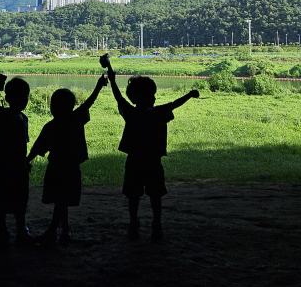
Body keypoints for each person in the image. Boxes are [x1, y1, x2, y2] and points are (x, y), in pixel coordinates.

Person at [105, 62, 199, 240]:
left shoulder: (131, 113)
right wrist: (189, 94)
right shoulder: (158, 113)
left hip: (133, 161)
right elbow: (175, 104)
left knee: (133, 195)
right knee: (155, 195)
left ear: (133, 98)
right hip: (153, 162)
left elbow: (118, 97)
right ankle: (157, 224)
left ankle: (134, 224)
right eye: (152, 94)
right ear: (150, 96)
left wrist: (112, 79)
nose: (155, 98)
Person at [27, 74, 108, 245]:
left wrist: (26, 161)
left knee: (59, 201)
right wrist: (99, 86)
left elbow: (37, 147)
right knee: (62, 201)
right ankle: (64, 229)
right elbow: (89, 102)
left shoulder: (51, 126)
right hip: (71, 167)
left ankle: (53, 231)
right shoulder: (76, 118)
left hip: (56, 168)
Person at [0, 74, 33, 250]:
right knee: (6, 199)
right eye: (20, 96)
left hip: (13, 165)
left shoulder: (21, 118)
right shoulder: (5, 115)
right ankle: (8, 231)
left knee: (17, 200)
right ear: (7, 98)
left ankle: (15, 230)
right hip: (6, 165)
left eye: (25, 96)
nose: (23, 100)